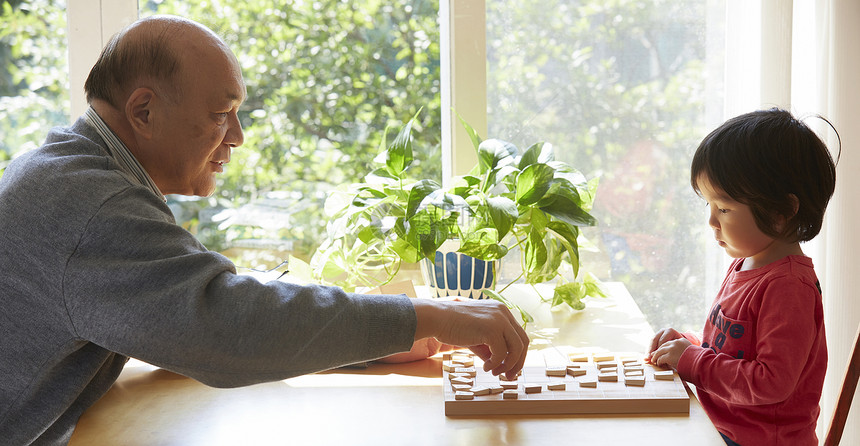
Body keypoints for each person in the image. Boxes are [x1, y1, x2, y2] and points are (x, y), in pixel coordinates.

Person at [0, 15, 529, 444]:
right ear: (143, 110)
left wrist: (381, 334)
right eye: (221, 112)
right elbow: (223, 324)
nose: (238, 135)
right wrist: (427, 314)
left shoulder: (72, 171)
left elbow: (180, 306)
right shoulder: (92, 204)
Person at [648, 108, 838, 446]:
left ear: (781, 210)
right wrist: (687, 344)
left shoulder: (789, 286)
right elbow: (735, 353)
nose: (711, 221)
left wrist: (692, 361)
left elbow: (770, 382)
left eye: (724, 208)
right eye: (708, 205)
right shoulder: (746, 263)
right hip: (722, 427)